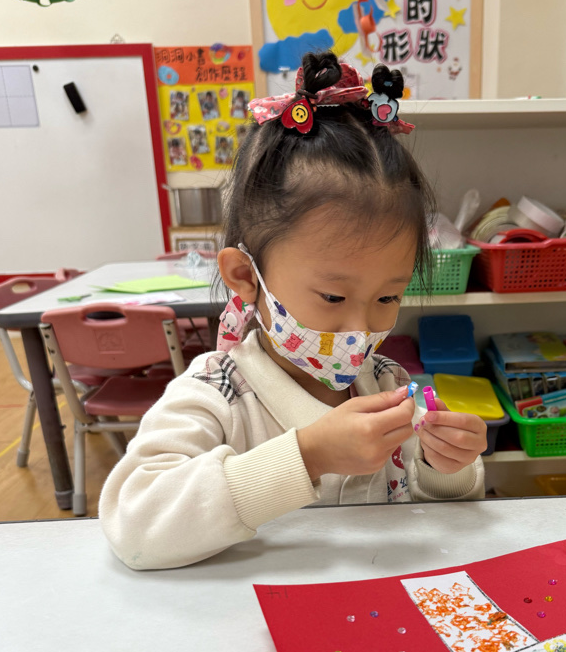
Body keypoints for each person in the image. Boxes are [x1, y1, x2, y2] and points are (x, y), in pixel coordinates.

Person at [99, 52, 486, 571]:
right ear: (246, 276)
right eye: (333, 298)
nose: (360, 330)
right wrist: (308, 455)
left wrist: (447, 467)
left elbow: (434, 518)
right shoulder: (216, 395)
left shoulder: (386, 382)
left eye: (387, 298)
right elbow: (136, 527)